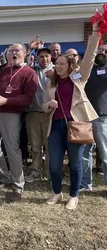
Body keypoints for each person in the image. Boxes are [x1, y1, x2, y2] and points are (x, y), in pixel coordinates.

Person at [42, 22, 99, 210]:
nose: (58, 66)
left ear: (69, 65)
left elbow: (89, 57)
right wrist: (48, 105)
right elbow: (43, 107)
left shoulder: (78, 78)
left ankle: (74, 195)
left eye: (61, 64)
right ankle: (57, 193)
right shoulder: (51, 84)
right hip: (55, 127)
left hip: (75, 126)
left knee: (75, 164)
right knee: (54, 165)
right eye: (56, 63)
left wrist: (95, 33)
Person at [0, 43, 38, 202]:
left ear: (24, 53)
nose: (13, 53)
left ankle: (17, 186)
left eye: (17, 51)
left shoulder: (30, 73)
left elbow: (28, 98)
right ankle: (4, 178)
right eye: (11, 51)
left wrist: (6, 100)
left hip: (11, 114)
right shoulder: (3, 69)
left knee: (12, 149)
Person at [25, 47, 54, 182]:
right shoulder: (32, 71)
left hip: (51, 114)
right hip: (34, 113)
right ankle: (36, 172)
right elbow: (22, 63)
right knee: (35, 145)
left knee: (50, 146)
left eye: (47, 56)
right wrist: (30, 48)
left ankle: (50, 172)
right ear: (37, 59)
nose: (44, 59)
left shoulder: (57, 70)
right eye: (41, 56)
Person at [82, 44, 107, 191]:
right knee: (85, 154)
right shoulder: (86, 70)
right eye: (99, 50)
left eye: (105, 50)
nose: (102, 52)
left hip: (102, 118)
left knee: (105, 154)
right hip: (84, 117)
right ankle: (86, 185)